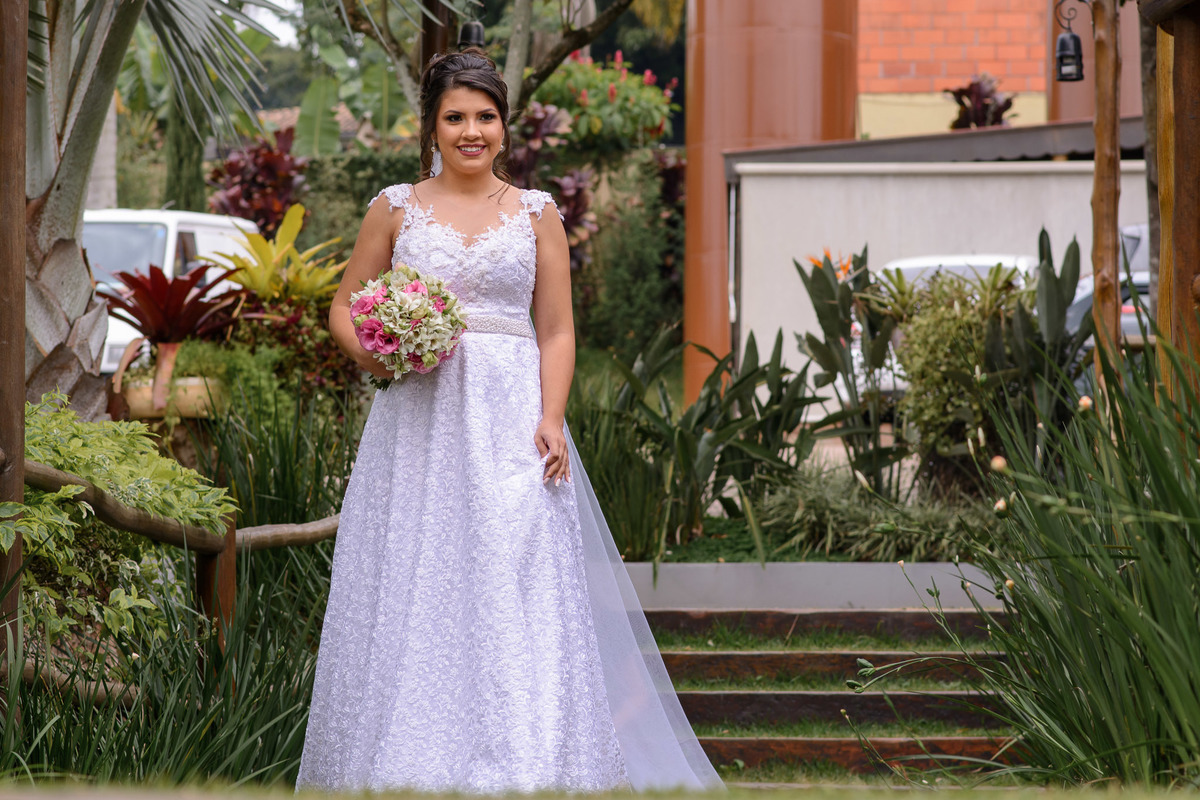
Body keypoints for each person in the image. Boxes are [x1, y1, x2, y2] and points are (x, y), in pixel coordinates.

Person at [296, 48, 723, 794]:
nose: (471, 131)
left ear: (504, 124)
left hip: (510, 422)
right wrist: (380, 355)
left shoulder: (536, 214)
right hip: (419, 423)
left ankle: (526, 768)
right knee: (416, 582)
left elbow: (556, 329)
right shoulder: (394, 207)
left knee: (513, 582)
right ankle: (408, 764)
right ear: (431, 125)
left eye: (484, 117)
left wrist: (552, 417)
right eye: (455, 117)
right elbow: (344, 303)